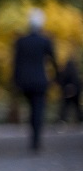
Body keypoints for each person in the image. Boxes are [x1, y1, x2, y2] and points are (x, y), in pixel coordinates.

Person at [12, 8, 57, 151]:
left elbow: (16, 64)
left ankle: (34, 138)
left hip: (25, 82)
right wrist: (57, 79)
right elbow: (53, 61)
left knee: (32, 109)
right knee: (38, 110)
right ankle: (36, 139)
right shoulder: (45, 41)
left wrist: (15, 82)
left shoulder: (21, 42)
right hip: (40, 81)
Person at [57, 57, 83, 124]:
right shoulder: (75, 73)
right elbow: (78, 83)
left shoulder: (65, 72)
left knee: (65, 107)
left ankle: (62, 119)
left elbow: (60, 81)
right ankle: (80, 119)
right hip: (75, 92)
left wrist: (66, 89)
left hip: (67, 92)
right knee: (76, 107)